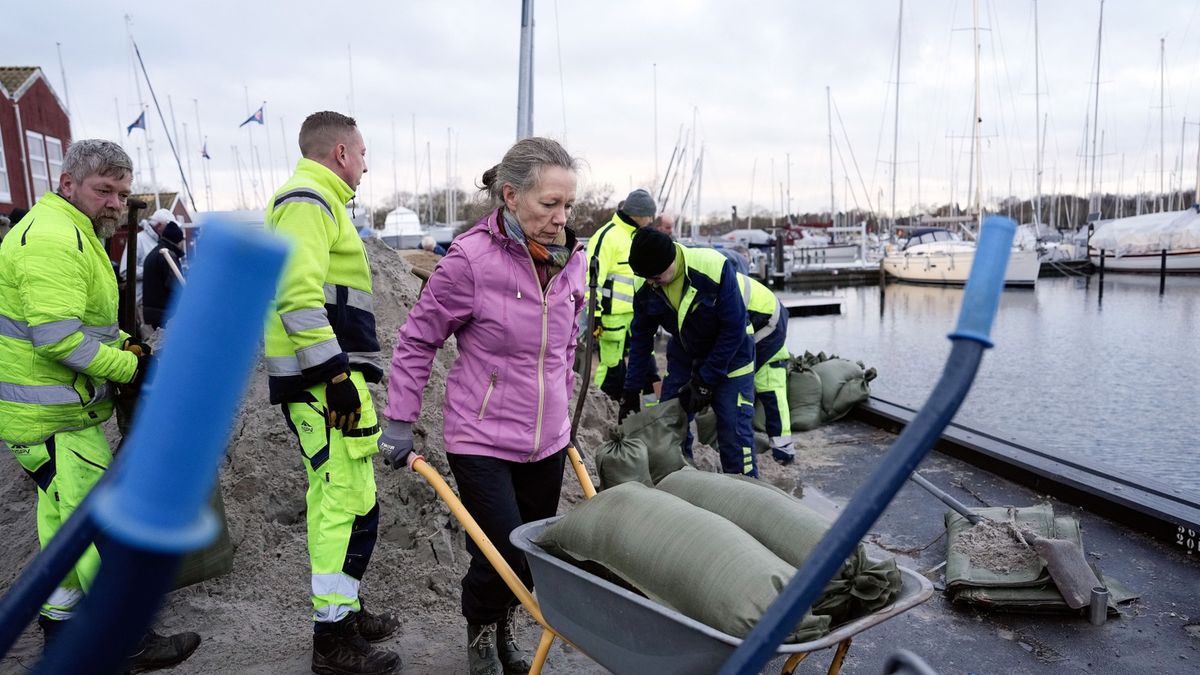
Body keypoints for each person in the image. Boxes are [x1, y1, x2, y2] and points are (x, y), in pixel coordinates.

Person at [378, 137, 585, 675]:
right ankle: (479, 630)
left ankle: (505, 625)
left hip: (546, 439)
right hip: (482, 435)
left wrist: (563, 409)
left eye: (568, 206)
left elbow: (564, 346)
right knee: (500, 549)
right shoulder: (470, 260)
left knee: (532, 551)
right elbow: (418, 339)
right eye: (549, 205)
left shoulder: (572, 261)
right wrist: (399, 421)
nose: (561, 219)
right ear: (512, 196)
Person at [0, 139, 199, 670]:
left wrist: (120, 348)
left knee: (64, 536)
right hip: (54, 420)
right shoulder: (52, 239)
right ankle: (126, 641)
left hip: (53, 415)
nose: (114, 202)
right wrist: (130, 367)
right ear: (67, 184)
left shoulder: (73, 233)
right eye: (103, 190)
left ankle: (59, 631)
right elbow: (59, 339)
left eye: (122, 192)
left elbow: (80, 330)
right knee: (102, 531)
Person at [264, 111, 401, 675]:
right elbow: (298, 297)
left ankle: (346, 610)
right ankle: (332, 641)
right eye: (363, 153)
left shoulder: (319, 203)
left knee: (357, 502)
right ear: (341, 153)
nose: (366, 165)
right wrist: (337, 377)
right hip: (325, 385)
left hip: (332, 381)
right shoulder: (308, 201)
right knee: (339, 506)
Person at [622, 227, 758, 477]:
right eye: (647, 277)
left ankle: (745, 492)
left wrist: (706, 380)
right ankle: (683, 481)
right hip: (686, 352)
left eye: (655, 276)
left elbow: (733, 328)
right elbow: (641, 337)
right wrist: (631, 389)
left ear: (671, 260)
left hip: (732, 355)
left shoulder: (713, 268)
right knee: (670, 424)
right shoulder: (645, 282)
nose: (651, 282)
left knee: (733, 430)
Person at [585, 188, 658, 401]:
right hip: (611, 319)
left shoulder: (641, 236)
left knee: (649, 369)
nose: (652, 219)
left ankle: (655, 416)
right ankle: (601, 414)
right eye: (649, 215)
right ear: (638, 214)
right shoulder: (607, 236)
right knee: (612, 370)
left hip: (640, 316)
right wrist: (595, 315)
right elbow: (591, 279)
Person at [735, 272, 795, 464]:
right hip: (767, 344)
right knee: (770, 399)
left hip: (770, 354)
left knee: (773, 399)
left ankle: (783, 449)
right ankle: (781, 445)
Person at [119, 207, 173, 306]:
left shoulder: (161, 241)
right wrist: (153, 271)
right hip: (142, 303)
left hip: (159, 304)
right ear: (159, 226)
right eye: (168, 227)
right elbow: (125, 271)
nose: (170, 230)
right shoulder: (138, 239)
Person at [142, 221, 186, 330]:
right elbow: (175, 286)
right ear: (177, 240)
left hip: (154, 312)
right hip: (165, 313)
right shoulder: (167, 256)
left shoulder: (155, 253)